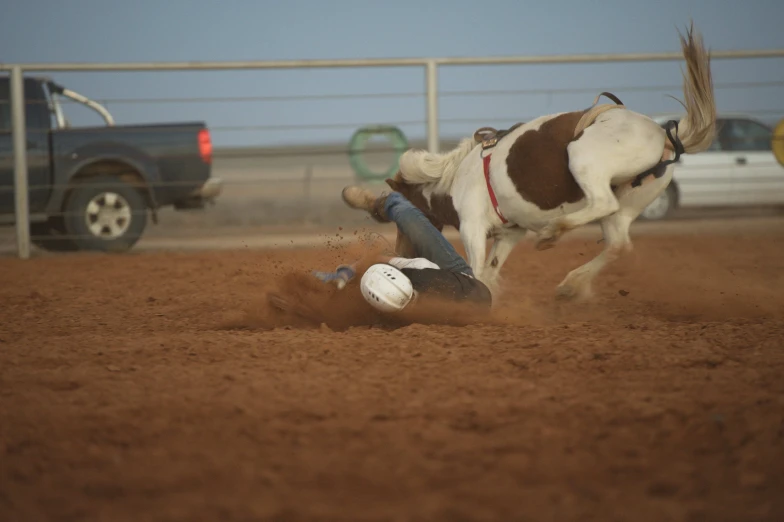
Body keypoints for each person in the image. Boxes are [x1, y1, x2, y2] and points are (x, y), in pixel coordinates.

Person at [311, 186, 493, 313]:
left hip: (455, 292)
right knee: (408, 217)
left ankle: (380, 210)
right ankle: (388, 202)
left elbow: (376, 266)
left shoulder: (406, 306)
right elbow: (376, 261)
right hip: (458, 275)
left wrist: (346, 274)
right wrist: (348, 272)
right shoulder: (421, 271)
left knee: (396, 254)